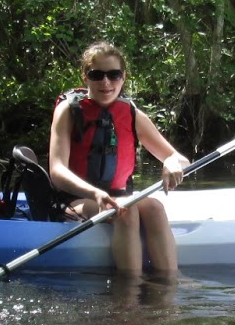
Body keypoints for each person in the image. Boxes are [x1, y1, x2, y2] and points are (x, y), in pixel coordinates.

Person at [49, 42, 190, 274]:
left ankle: (168, 285)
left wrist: (171, 162)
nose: (106, 82)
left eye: (114, 75)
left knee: (154, 207)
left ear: (123, 78)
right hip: (75, 199)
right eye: (97, 75)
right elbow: (57, 171)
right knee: (126, 212)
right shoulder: (68, 110)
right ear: (85, 77)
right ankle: (129, 298)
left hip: (116, 196)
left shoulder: (131, 113)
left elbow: (179, 158)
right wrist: (95, 192)